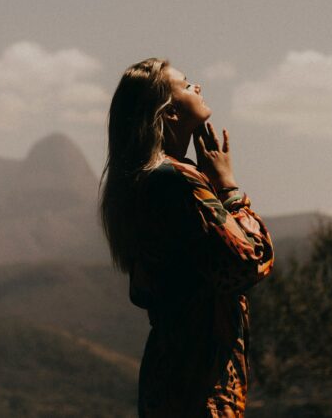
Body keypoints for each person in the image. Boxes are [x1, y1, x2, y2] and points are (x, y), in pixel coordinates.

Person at [100, 58, 274, 418]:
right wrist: (228, 187)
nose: (198, 86)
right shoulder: (177, 182)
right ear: (169, 113)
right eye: (186, 84)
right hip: (198, 385)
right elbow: (249, 262)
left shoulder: (146, 183)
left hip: (169, 379)